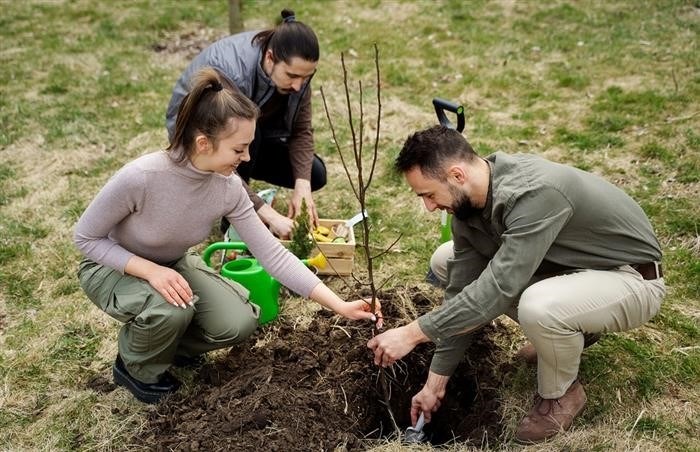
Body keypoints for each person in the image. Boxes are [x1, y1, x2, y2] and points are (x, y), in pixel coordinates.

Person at [75, 67, 380, 404]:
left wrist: (340, 305)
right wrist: (150, 271)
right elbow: (86, 239)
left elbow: (272, 254)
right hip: (111, 267)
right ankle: (135, 365)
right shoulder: (142, 177)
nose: (247, 158)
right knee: (172, 310)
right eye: (238, 149)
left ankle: (161, 343)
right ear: (203, 143)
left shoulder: (228, 188)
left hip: (170, 263)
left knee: (238, 321)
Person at [367, 125, 665, 443]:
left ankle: (562, 395)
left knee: (538, 305)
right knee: (446, 260)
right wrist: (434, 385)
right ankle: (571, 332)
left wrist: (412, 334)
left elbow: (498, 289)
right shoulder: (469, 211)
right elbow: (462, 293)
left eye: (428, 195)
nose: (428, 207)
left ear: (456, 176)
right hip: (575, 272)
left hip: (631, 279)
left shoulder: (533, 193)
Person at [166, 8, 324, 239]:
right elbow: (219, 144)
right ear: (270, 58)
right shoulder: (230, 73)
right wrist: (265, 213)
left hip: (248, 135)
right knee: (249, 135)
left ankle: (241, 190)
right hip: (201, 143)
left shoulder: (296, 75)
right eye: (291, 76)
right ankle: (234, 213)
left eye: (306, 77)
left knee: (314, 173)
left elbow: (301, 131)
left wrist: (303, 186)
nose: (299, 85)